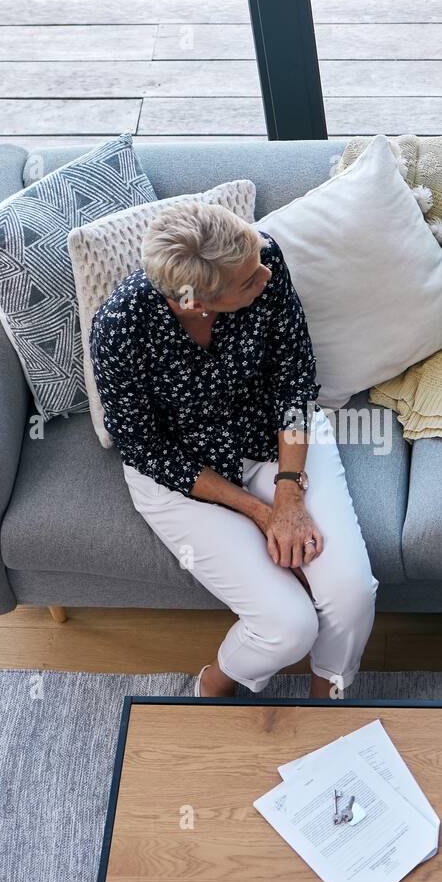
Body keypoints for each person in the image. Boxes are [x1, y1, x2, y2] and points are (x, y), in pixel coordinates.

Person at [89, 199, 377, 701]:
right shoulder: (120, 329)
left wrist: (288, 496)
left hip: (277, 443)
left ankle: (329, 695)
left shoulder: (263, 260)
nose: (266, 275)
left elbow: (295, 380)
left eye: (259, 262)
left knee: (352, 593)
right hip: (185, 476)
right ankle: (215, 684)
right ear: (195, 303)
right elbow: (147, 448)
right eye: (248, 282)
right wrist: (258, 513)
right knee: (288, 626)